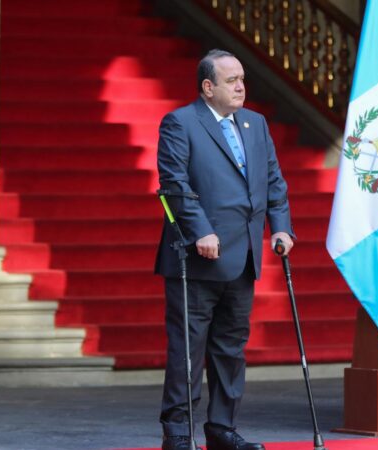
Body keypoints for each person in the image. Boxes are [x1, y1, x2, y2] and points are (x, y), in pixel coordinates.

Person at [154, 49, 295, 450]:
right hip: (197, 257)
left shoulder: (255, 124)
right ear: (208, 86)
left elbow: (274, 183)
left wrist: (281, 229)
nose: (240, 86)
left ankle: (222, 429)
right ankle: (179, 433)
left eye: (242, 79)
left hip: (244, 256)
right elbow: (175, 184)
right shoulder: (181, 123)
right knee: (187, 348)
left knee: (230, 348)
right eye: (231, 80)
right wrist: (201, 230)